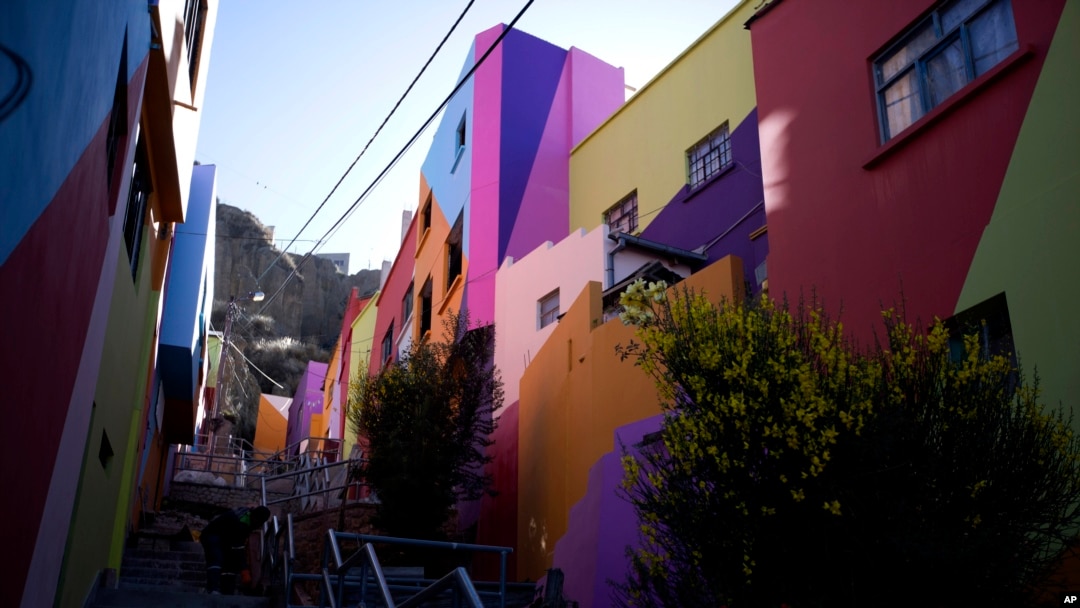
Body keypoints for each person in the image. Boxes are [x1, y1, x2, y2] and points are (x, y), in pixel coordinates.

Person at [199, 505, 271, 595]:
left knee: (230, 563)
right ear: (255, 517)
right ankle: (212, 589)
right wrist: (244, 569)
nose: (259, 525)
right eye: (260, 522)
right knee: (216, 558)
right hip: (211, 535)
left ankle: (227, 591)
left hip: (225, 538)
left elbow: (237, 544)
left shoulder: (248, 520)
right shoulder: (241, 522)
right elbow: (238, 546)